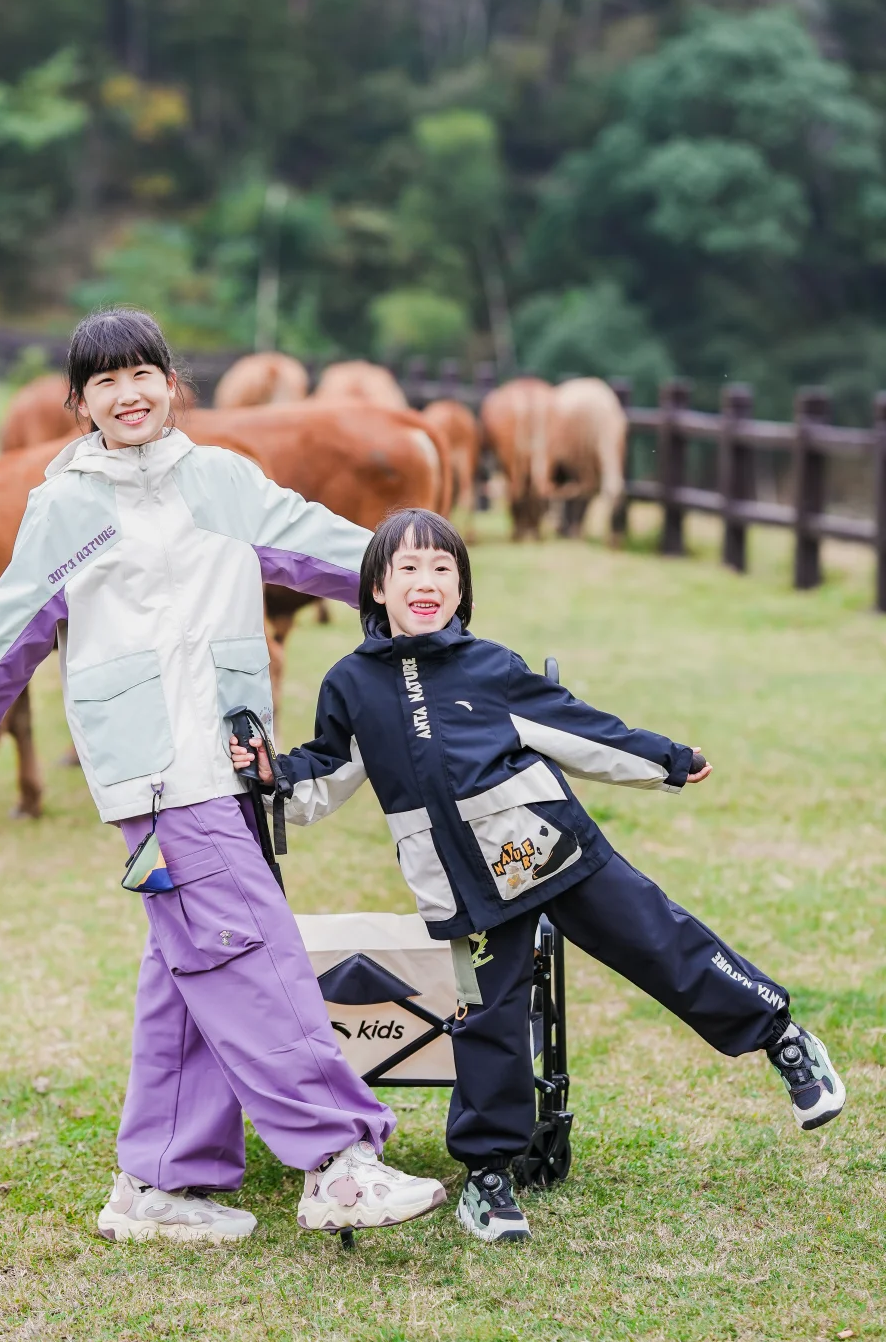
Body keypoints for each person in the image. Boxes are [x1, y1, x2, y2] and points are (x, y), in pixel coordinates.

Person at [0, 310, 445, 1244]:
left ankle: (157, 1183)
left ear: (173, 382)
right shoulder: (66, 506)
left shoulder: (219, 479)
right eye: (104, 381)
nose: (127, 393)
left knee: (193, 968)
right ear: (79, 402)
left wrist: (418, 577)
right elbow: (9, 632)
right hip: (156, 772)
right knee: (252, 958)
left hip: (230, 757)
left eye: (142, 373)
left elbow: (324, 546)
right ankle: (340, 1164)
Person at [231, 507, 847, 1245]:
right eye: (409, 569)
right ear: (376, 587)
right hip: (463, 888)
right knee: (489, 1021)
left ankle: (781, 1035)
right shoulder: (351, 685)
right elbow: (323, 774)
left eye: (443, 569)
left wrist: (667, 760)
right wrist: (273, 777)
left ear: (462, 588)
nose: (426, 582)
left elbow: (578, 728)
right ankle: (489, 1179)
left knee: (659, 941)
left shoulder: (489, 666)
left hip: (551, 852)